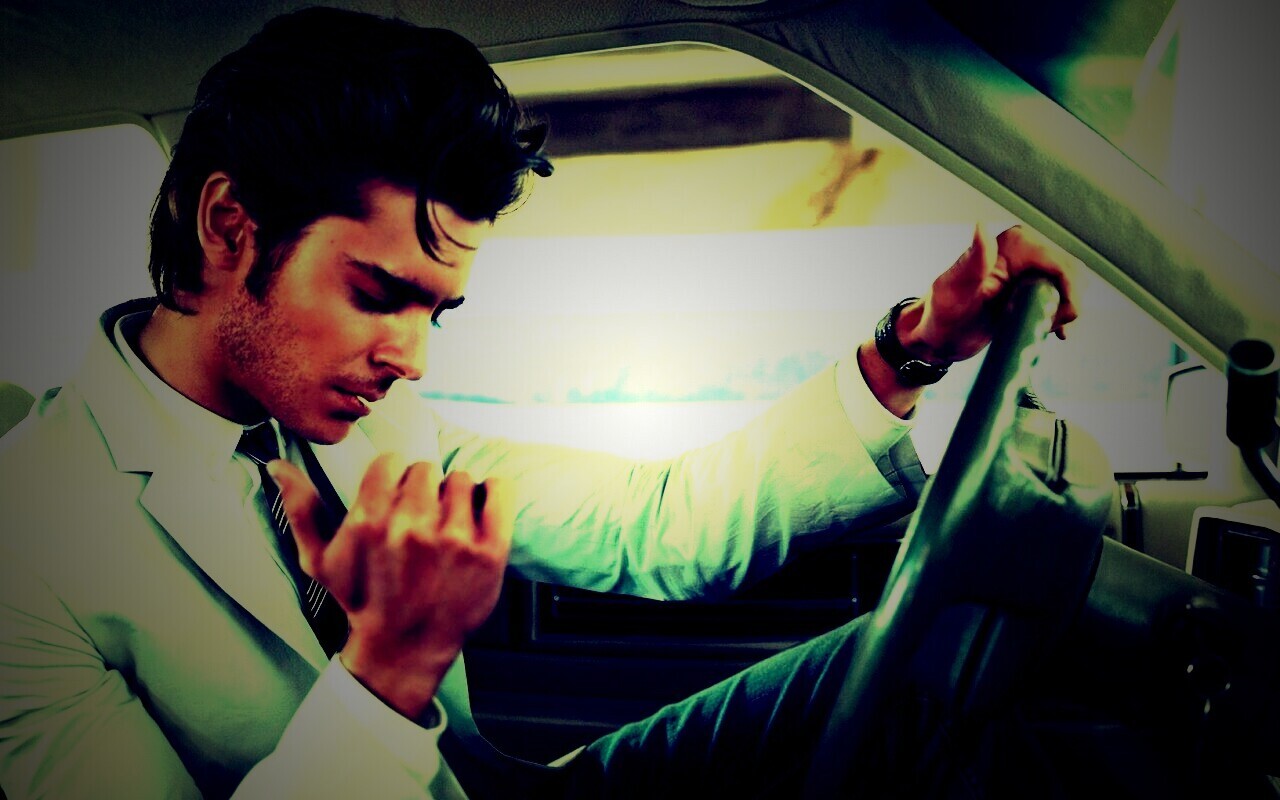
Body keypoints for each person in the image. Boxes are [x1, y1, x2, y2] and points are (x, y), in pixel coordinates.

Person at [0, 7, 1079, 799]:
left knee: (935, 653)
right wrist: (387, 672)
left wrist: (911, 351)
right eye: (377, 294)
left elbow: (657, 523)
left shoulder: (373, 423)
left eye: (437, 311)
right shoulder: (26, 545)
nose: (411, 359)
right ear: (230, 226)